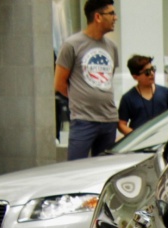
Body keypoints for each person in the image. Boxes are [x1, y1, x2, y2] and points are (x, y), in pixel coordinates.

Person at [54, 1, 119, 160]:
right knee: (76, 169)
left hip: (109, 119)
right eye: (111, 14)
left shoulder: (111, 46)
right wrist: (81, 99)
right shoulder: (72, 44)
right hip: (83, 120)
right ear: (98, 17)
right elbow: (59, 84)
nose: (115, 18)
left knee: (104, 171)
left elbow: (109, 78)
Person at [117, 55, 168, 136]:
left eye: (153, 69)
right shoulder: (128, 98)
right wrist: (136, 136)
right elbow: (121, 124)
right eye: (147, 72)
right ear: (135, 77)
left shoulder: (165, 92)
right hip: (140, 144)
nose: (152, 74)